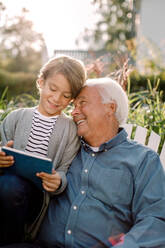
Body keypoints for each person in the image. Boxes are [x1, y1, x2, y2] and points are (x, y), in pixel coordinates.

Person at [2, 77, 165, 248]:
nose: (73, 112)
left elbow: (156, 219)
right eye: (73, 105)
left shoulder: (142, 160)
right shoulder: (67, 149)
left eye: (82, 103)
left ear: (110, 108)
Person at [0, 55, 86, 245]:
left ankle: (12, 242)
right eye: (52, 89)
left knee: (9, 187)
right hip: (7, 187)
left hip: (38, 198)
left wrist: (58, 181)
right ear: (41, 82)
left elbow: (66, 170)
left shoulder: (70, 130)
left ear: (72, 98)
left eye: (65, 96)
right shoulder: (15, 118)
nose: (56, 99)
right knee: (8, 184)